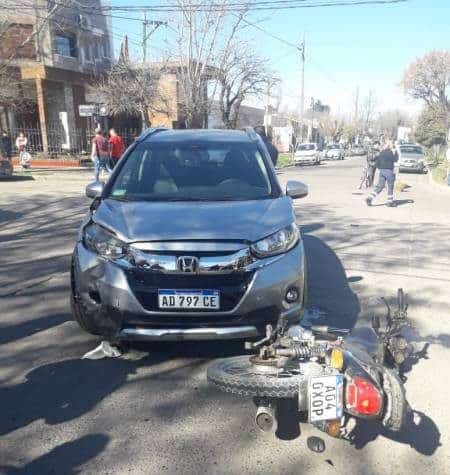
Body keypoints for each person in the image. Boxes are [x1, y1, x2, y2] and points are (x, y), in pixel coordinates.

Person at [366, 141, 398, 207]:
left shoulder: (381, 153)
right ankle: (390, 202)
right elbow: (395, 159)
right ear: (390, 146)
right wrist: (396, 152)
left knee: (380, 186)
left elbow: (377, 163)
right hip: (389, 171)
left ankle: (369, 198)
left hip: (382, 171)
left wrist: (381, 168)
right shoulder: (390, 152)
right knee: (390, 187)